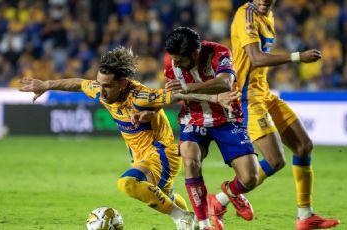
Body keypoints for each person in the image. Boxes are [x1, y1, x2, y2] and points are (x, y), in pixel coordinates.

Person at [166, 1, 340, 229]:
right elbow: (256, 58)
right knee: (274, 161)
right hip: (247, 97)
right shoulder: (245, 15)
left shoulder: (268, 17)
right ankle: (218, 202)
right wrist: (297, 57)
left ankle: (305, 215)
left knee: (303, 146)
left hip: (263, 92)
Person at [19, 46, 221, 230]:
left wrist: (218, 98)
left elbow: (180, 96)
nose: (101, 91)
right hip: (142, 156)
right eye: (100, 84)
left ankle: (182, 217)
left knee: (128, 182)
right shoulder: (102, 90)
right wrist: (46, 84)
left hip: (162, 152)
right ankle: (191, 222)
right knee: (165, 197)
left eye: (107, 86)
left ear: (123, 83)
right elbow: (80, 84)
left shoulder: (141, 97)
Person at [164, 27, 259, 230]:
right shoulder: (171, 62)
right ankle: (204, 223)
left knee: (250, 178)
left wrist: (190, 88)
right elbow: (176, 95)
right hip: (194, 118)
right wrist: (181, 94)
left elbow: (226, 82)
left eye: (180, 60)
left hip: (227, 117)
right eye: (174, 59)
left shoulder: (219, 52)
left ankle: (228, 193)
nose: (175, 63)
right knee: (189, 157)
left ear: (195, 53)